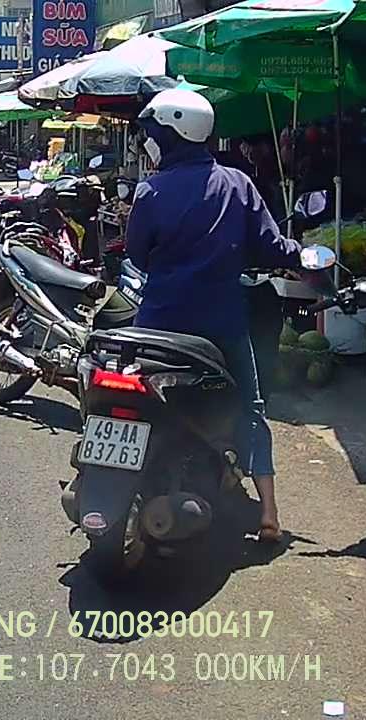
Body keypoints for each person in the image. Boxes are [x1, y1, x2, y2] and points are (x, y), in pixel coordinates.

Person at [125, 89, 301, 541]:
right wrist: (301, 254)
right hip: (220, 327)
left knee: (136, 397)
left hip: (157, 325)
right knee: (251, 408)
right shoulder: (237, 184)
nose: (150, 142)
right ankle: (269, 513)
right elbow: (272, 247)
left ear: (173, 135)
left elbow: (137, 256)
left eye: (155, 134)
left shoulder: (150, 191)